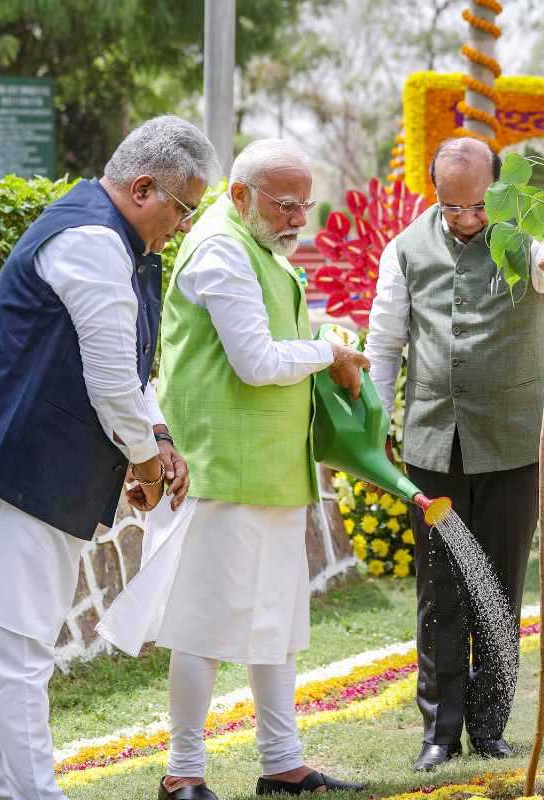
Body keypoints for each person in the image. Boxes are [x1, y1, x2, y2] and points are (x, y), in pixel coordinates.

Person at [0, 116, 213, 800]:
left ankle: (6, 791)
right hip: (15, 468)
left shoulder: (119, 243)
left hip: (25, 467)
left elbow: (131, 371)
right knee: (20, 647)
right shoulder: (92, 241)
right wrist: (146, 467)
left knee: (5, 646)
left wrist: (161, 441)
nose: (180, 225)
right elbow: (111, 383)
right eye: (181, 208)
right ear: (144, 188)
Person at [101, 139, 368, 800]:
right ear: (241, 195)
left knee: (273, 623)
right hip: (215, 470)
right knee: (203, 627)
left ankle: (283, 764)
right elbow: (255, 360)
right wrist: (327, 349)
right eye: (284, 204)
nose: (298, 217)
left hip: (269, 468)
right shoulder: (221, 246)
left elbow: (278, 338)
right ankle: (182, 773)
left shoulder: (260, 247)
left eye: (304, 204)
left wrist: (323, 340)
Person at [365, 136, 544, 772]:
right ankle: (438, 733)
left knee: (501, 588)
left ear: (499, 187)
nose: (465, 219)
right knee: (441, 593)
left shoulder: (528, 234)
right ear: (434, 190)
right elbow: (384, 342)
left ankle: (491, 729)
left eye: (478, 207)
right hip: (435, 445)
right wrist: (375, 426)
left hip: (516, 442)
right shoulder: (404, 248)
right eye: (452, 206)